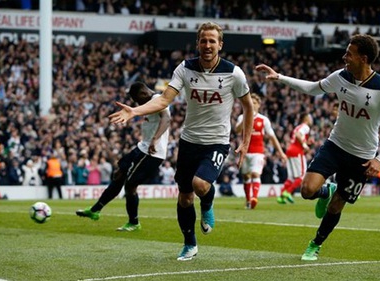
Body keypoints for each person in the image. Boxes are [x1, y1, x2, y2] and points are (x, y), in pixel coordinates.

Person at [109, 21, 254, 261]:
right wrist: (135, 111)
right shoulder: (185, 69)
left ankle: (207, 204)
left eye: (212, 41)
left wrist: (245, 141)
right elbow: (164, 100)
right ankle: (190, 244)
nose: (208, 45)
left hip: (217, 141)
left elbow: (248, 107)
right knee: (185, 197)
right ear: (198, 43)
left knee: (201, 185)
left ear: (220, 44)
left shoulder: (233, 73)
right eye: (203, 41)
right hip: (189, 141)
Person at [256, 34, 380, 261]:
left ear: (363, 58)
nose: (344, 57)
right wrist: (280, 77)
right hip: (335, 145)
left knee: (336, 207)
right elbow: (313, 88)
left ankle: (315, 244)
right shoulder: (341, 77)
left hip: (362, 156)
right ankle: (327, 190)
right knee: (307, 191)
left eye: (349, 53)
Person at [76, 81, 171, 232]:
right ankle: (95, 210)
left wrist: (155, 139)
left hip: (152, 152)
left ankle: (134, 222)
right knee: (119, 174)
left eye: (136, 100)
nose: (136, 103)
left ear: (143, 94)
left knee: (130, 186)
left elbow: (166, 119)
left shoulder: (158, 99)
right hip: (142, 147)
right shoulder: (149, 100)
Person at [235, 93, 286, 209]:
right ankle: (248, 200)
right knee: (246, 177)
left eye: (254, 103)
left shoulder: (264, 120)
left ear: (259, 105)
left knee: (255, 173)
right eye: (250, 103)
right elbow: (237, 131)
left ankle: (254, 198)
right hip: (245, 152)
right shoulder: (242, 117)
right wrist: (245, 119)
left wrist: (281, 153)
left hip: (258, 152)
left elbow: (273, 137)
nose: (252, 105)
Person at [277, 113, 313, 204]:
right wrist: (304, 146)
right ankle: (288, 192)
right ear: (305, 119)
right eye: (309, 117)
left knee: (291, 177)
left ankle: (281, 196)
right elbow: (298, 135)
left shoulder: (298, 126)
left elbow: (297, 136)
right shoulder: (305, 126)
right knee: (302, 176)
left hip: (290, 150)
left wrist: (306, 142)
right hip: (297, 152)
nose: (311, 119)